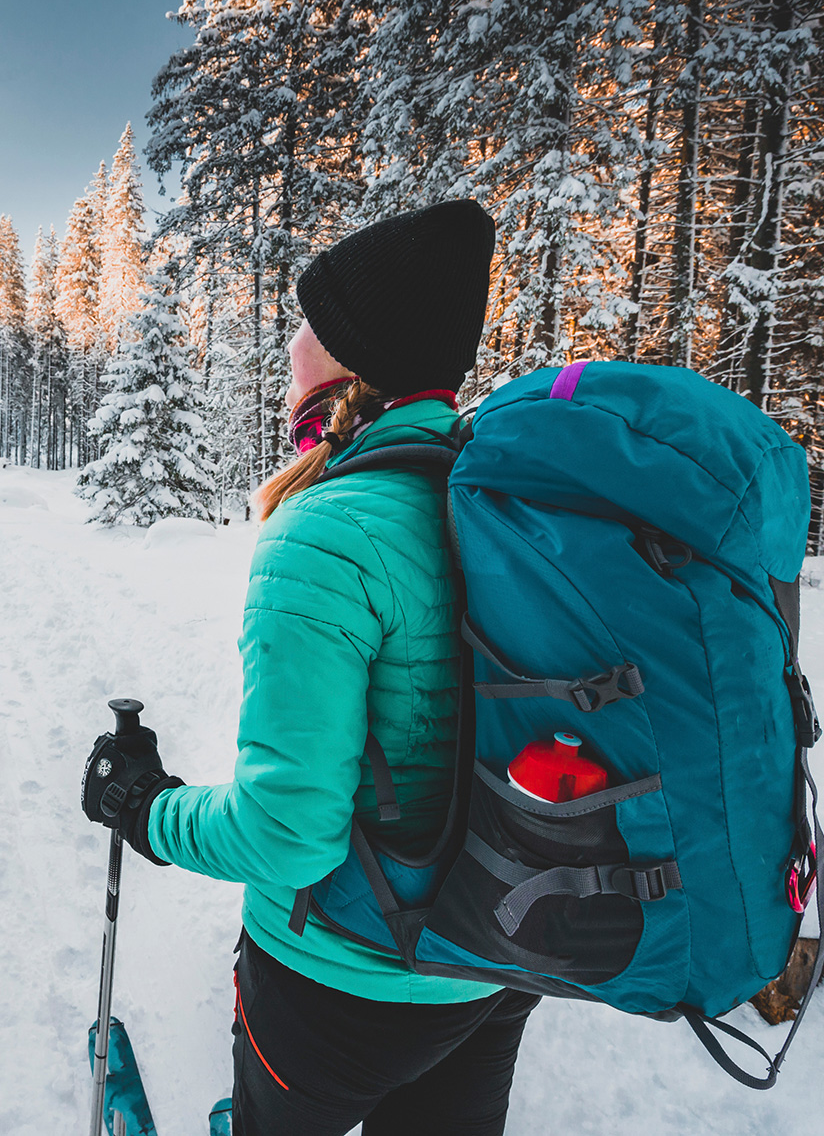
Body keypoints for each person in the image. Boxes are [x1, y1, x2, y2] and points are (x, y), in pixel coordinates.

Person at [81, 201, 537, 1135]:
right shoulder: (496, 501)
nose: (291, 341)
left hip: (341, 988)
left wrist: (145, 806)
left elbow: (289, 838)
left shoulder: (327, 532)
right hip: (491, 963)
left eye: (309, 322)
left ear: (349, 359)